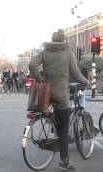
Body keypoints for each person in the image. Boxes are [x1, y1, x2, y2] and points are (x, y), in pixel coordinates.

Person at [29, 29, 88, 171]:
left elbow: (32, 65)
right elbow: (76, 73)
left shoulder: (45, 52)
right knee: (63, 130)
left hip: (46, 93)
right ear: (63, 40)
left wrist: (39, 78)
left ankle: (53, 127)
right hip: (61, 95)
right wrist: (87, 82)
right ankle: (64, 161)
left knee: (57, 121)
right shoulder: (68, 53)